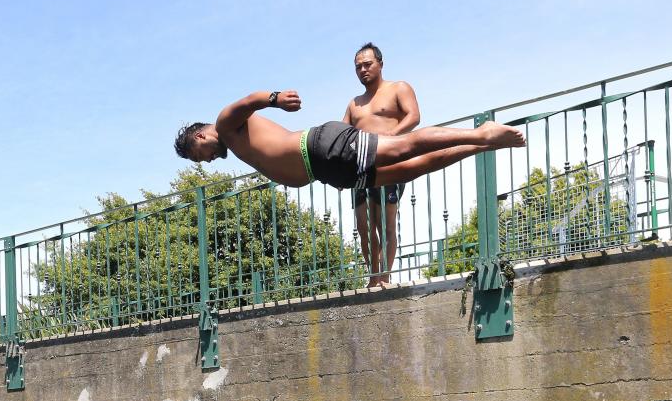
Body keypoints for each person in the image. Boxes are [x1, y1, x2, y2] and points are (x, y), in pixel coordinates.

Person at [173, 94, 525, 277]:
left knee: (402, 148)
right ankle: (481, 146)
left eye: (199, 155)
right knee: (408, 171)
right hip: (327, 171)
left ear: (200, 136)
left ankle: (480, 133)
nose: (207, 161)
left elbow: (246, 102)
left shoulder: (225, 123)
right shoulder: (235, 144)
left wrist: (276, 98)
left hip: (321, 148)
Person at [344, 43, 420, 286]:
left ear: (380, 64)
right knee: (365, 227)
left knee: (386, 225)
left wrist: (389, 137)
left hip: (389, 164)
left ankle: (385, 277)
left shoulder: (398, 88)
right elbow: (342, 136)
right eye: (358, 67)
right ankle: (373, 277)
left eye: (367, 64)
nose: (363, 70)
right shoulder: (354, 104)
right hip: (361, 169)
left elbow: (414, 116)